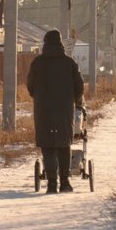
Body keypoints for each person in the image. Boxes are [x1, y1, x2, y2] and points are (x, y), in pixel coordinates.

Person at [26, 29, 84, 193]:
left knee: (48, 146)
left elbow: (30, 85)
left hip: (43, 109)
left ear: (45, 43)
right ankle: (65, 183)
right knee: (64, 145)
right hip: (65, 109)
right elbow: (79, 87)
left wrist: (38, 97)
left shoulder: (38, 62)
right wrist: (73, 100)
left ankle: (52, 184)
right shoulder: (69, 63)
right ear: (60, 43)